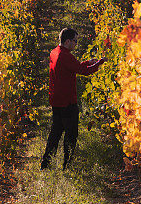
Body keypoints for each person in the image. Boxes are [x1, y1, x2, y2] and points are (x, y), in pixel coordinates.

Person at [40, 27, 106, 171]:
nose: (76, 44)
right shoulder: (66, 56)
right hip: (67, 103)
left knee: (55, 133)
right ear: (68, 41)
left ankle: (45, 165)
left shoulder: (54, 52)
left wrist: (89, 61)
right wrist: (99, 63)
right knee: (71, 135)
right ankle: (67, 165)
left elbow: (73, 67)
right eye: (75, 41)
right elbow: (84, 71)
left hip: (56, 101)